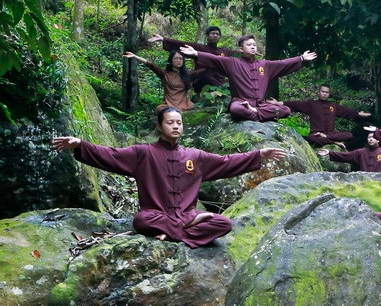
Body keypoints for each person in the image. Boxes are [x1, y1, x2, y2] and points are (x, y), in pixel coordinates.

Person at [51, 107, 285, 247]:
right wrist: (80, 145)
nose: (176, 126)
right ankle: (185, 232)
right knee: (141, 221)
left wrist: (258, 155)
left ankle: (173, 233)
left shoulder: (196, 156)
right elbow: (111, 154)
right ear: (160, 126)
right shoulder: (143, 153)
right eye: (170, 122)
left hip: (186, 214)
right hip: (156, 215)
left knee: (224, 223)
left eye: (179, 123)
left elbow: (226, 162)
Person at [178, 35, 318, 122]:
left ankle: (255, 112)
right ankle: (256, 113)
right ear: (240, 49)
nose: (252, 47)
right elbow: (214, 59)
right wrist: (195, 53)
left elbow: (283, 63)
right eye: (249, 45)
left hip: (260, 105)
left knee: (285, 110)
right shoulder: (233, 63)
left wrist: (301, 58)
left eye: (254, 45)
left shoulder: (265, 65)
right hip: (241, 102)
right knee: (235, 110)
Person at [149, 27, 237, 93]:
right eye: (213, 33)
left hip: (220, 79)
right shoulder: (200, 48)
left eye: (217, 34)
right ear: (207, 36)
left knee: (234, 81)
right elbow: (182, 44)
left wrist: (244, 50)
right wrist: (163, 39)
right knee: (206, 75)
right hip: (202, 79)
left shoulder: (224, 51)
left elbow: (237, 54)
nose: (215, 36)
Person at [287, 85, 372, 146]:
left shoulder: (333, 106)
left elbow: (346, 111)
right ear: (318, 92)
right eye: (323, 92)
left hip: (331, 134)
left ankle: (328, 138)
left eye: (327, 92)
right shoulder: (311, 104)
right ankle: (334, 141)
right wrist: (280, 103)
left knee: (349, 135)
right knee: (315, 139)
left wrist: (358, 114)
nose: (325, 94)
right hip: (316, 134)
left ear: (329, 94)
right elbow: (295, 104)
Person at [123, 49, 194, 111]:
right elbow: (151, 65)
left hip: (185, 104)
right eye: (175, 58)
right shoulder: (165, 74)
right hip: (169, 103)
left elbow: (203, 70)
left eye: (180, 59)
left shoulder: (188, 75)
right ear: (171, 60)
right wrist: (135, 56)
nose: (178, 60)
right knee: (160, 110)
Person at [317, 132, 381, 173]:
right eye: (369, 137)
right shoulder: (361, 152)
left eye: (374, 137)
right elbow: (346, 156)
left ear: (379, 140)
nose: (371, 139)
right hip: (363, 181)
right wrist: (330, 152)